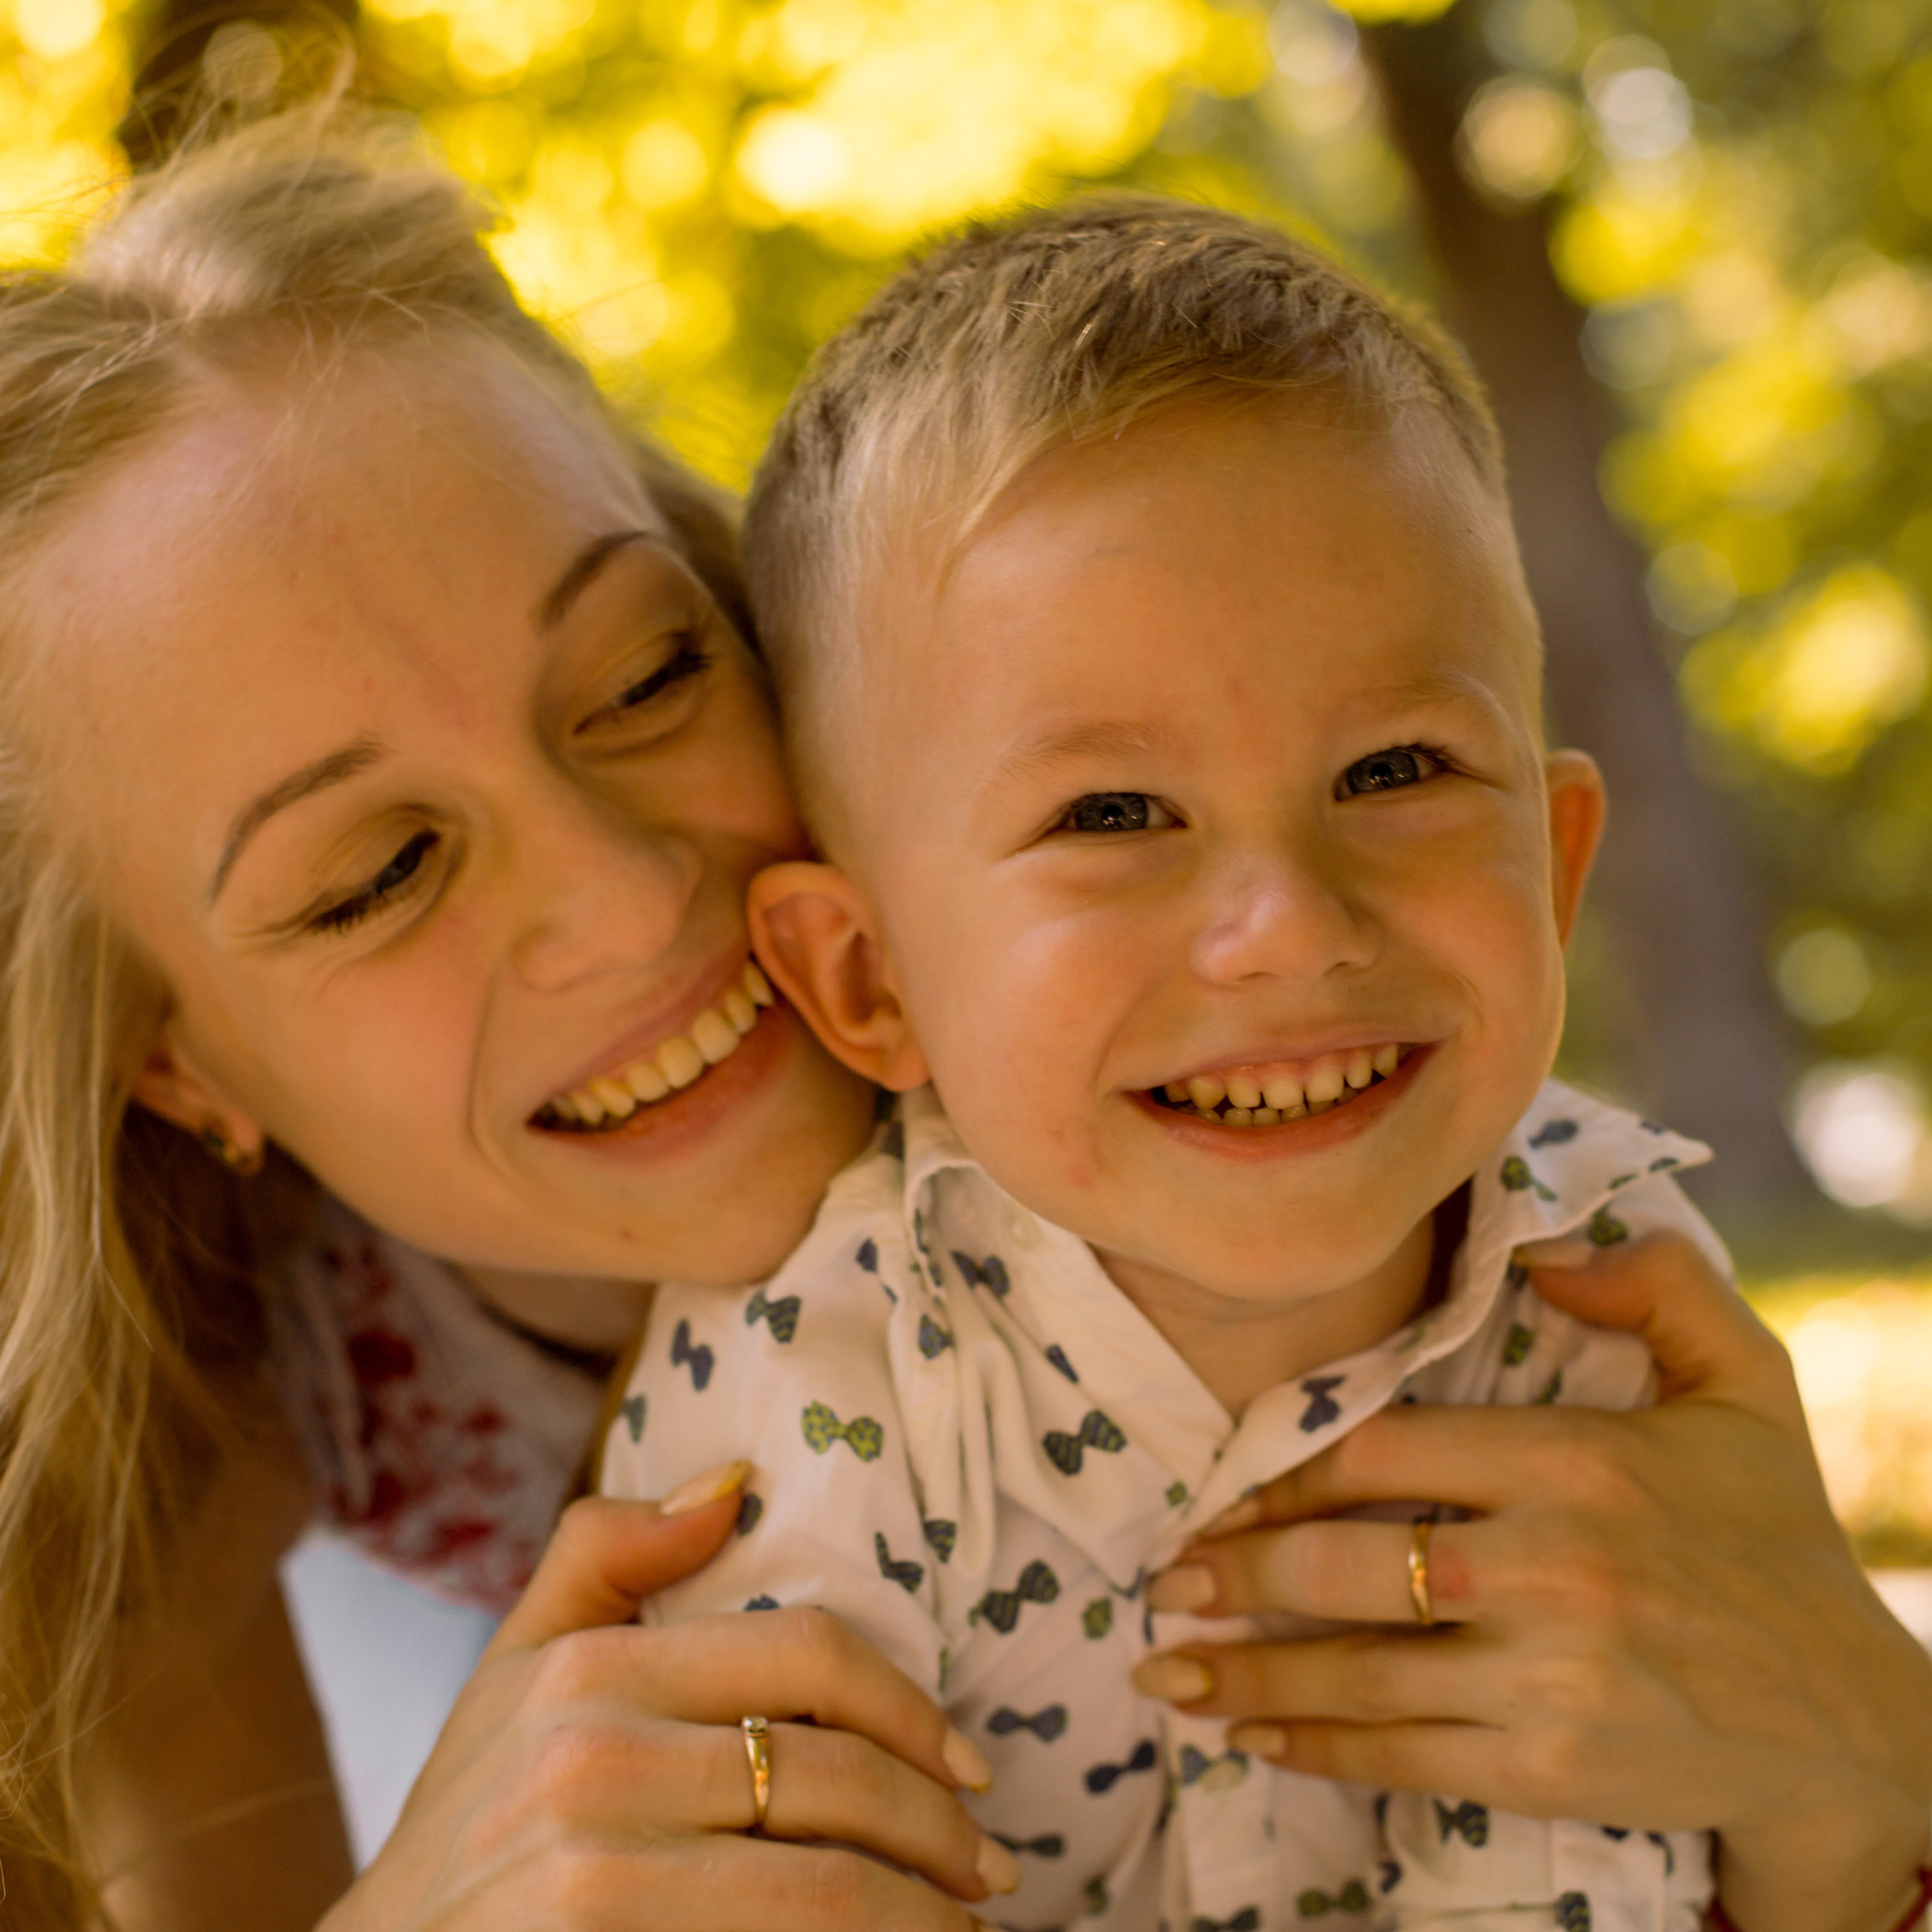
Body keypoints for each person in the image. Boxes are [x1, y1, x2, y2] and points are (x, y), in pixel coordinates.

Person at [0, 96, 1922, 1932]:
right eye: (373, 874)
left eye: (648, 675)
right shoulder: (187, 1400)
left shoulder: (1265, 1047)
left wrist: (1861, 1740)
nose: (623, 893)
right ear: (173, 1060)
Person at [592, 195, 1750, 1929]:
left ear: (1555, 865)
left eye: (1394, 769)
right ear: (868, 974)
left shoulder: (1613, 1290)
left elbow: (1616, 1843)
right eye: (1111, 812)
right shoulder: (821, 1379)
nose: (1284, 924)